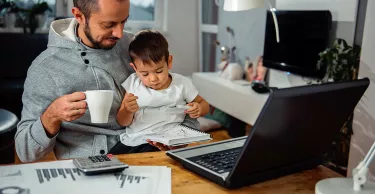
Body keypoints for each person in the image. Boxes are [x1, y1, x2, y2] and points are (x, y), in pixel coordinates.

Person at [15, 0, 199, 162]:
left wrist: (179, 139)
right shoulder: (46, 68)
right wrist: (52, 115)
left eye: (123, 21)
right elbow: (25, 152)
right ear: (79, 15)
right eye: (108, 24)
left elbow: (178, 95)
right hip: (95, 163)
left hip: (152, 151)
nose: (119, 33)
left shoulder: (133, 46)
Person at [112, 30, 209, 153]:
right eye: (145, 74)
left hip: (166, 139)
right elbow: (122, 121)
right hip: (135, 140)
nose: (153, 79)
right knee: (110, 159)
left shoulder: (181, 84)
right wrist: (127, 110)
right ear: (134, 68)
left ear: (169, 62)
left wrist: (199, 108)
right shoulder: (133, 84)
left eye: (159, 71)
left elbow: (204, 104)